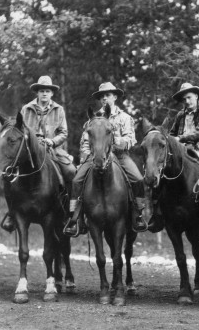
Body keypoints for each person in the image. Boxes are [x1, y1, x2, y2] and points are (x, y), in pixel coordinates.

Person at [63, 82, 148, 237]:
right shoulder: (92, 120)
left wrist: (118, 143)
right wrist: (86, 156)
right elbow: (85, 142)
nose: (104, 98)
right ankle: (75, 218)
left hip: (120, 156)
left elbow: (131, 139)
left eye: (108, 95)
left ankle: (138, 214)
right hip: (95, 157)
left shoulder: (125, 118)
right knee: (76, 181)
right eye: (101, 96)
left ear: (115, 97)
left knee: (138, 179)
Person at [0, 76, 77, 232]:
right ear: (37, 92)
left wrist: (52, 141)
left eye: (47, 91)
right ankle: (11, 212)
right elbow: (19, 130)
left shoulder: (58, 109)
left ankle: (70, 212)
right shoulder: (26, 109)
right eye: (42, 91)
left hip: (52, 149)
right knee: (8, 172)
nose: (44, 94)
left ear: (52, 93)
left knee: (71, 172)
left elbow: (64, 132)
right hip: (30, 150)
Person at [147, 82, 199, 233]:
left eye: (189, 98)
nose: (187, 102)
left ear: (196, 96)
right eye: (184, 99)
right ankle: (157, 214)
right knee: (162, 172)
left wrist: (181, 139)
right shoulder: (180, 115)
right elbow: (171, 134)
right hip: (182, 150)